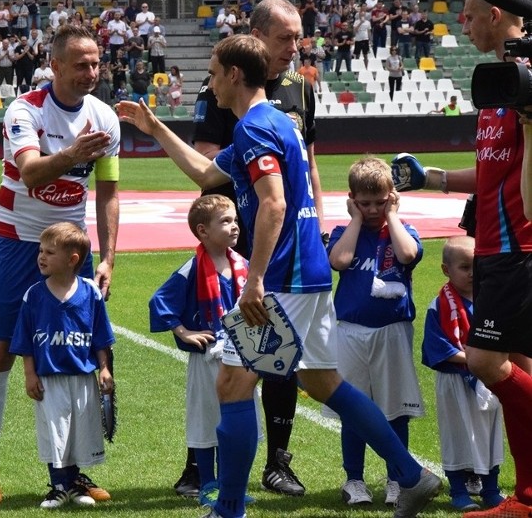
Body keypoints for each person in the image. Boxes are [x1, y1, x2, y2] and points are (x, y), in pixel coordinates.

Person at [118, 33, 442, 518]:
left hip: (284, 278)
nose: (209, 82)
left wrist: (255, 279)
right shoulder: (269, 122)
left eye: (212, 71)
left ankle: (227, 509)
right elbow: (209, 176)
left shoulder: (254, 128)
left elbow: (273, 203)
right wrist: (154, 127)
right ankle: (414, 477)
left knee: (232, 383)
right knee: (323, 382)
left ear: (232, 74)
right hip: (305, 272)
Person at [392, 0, 532, 518]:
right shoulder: (499, 87)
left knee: (484, 360)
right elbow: (490, 172)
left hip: (516, 249)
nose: (464, 25)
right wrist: (428, 178)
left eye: (469, 16)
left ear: (495, 15)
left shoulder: (524, 87)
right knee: (517, 362)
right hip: (499, 247)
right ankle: (525, 497)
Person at [183, 0, 326, 502]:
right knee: (227, 363)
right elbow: (208, 168)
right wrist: (229, 234)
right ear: (256, 39)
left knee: (253, 369)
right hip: (239, 242)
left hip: (284, 254)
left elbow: (306, 166)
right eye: (285, 38)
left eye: (298, 37)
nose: (295, 47)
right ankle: (203, 465)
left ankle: (270, 467)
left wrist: (318, 223)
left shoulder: (301, 89)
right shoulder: (224, 89)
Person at [0, 24, 120, 504]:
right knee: (0, 353)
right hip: (18, 243)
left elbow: (108, 192)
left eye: (96, 63)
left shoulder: (105, 118)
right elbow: (32, 173)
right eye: (81, 64)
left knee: (78, 354)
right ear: (54, 65)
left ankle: (73, 473)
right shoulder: (25, 110)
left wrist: (109, 258)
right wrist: (73, 153)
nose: (91, 72)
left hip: (74, 248)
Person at [325, 157, 425, 507]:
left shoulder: (401, 228)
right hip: (351, 330)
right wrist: (354, 219)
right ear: (352, 199)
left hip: (393, 330)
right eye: (364, 203)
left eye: (379, 202)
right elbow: (339, 261)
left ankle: (398, 477)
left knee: (395, 408)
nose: (372, 210)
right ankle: (354, 479)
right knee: (354, 408)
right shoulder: (344, 232)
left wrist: (392, 216)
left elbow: (408, 254)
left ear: (392, 196)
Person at [150, 194, 259, 508]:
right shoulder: (192, 268)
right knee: (204, 420)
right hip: (207, 359)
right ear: (202, 231)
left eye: (235, 220)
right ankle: (208, 482)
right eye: (225, 221)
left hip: (240, 359)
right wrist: (184, 331)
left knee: (236, 419)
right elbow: (160, 301)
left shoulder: (243, 264)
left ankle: (229, 483)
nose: (234, 226)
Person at [9, 222, 115, 508]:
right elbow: (25, 341)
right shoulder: (34, 295)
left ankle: (74, 484)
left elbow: (101, 337)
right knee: (55, 432)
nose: (41, 257)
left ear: (72, 260)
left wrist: (104, 368)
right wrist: (29, 375)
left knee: (79, 432)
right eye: (41, 251)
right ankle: (57, 486)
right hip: (50, 377)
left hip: (82, 376)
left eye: (50, 252)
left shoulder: (91, 294)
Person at [421, 236, 505, 512]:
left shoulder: (491, 300)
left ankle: (491, 490)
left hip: (489, 378)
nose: (472, 273)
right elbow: (438, 349)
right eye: (464, 267)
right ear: (447, 270)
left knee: (491, 433)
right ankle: (459, 491)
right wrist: (476, 359)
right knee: (457, 434)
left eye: (476, 266)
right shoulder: (440, 305)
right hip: (455, 380)